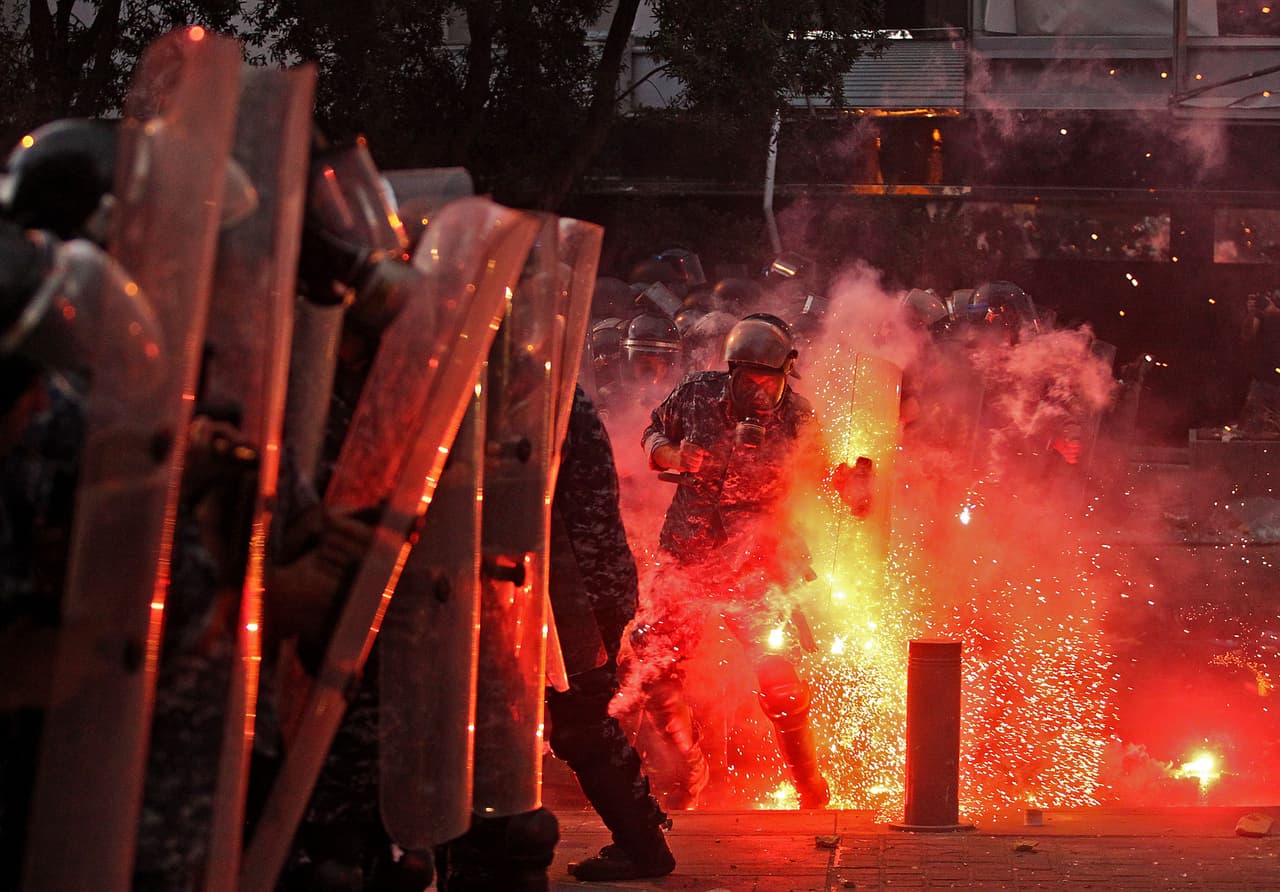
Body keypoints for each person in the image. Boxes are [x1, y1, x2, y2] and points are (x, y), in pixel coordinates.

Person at [437, 387, 676, 887]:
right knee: (575, 721)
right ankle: (641, 844)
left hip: (571, 585)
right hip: (574, 579)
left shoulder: (529, 391)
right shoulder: (546, 383)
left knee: (578, 721)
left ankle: (641, 846)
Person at [631, 313, 862, 811]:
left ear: (785, 377)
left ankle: (811, 791)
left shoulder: (799, 418)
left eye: (769, 382)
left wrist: (849, 488)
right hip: (686, 557)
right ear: (731, 373)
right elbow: (651, 432)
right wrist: (671, 454)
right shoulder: (695, 395)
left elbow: (819, 474)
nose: (758, 393)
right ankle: (687, 771)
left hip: (756, 564)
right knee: (654, 671)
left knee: (778, 681)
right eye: (748, 380)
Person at [1239, 289, 1280, 435]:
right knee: (1254, 424)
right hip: (1263, 379)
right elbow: (1248, 336)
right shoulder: (1263, 317)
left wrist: (1272, 311)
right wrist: (1252, 313)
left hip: (1273, 380)